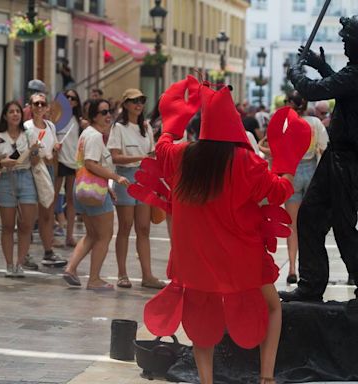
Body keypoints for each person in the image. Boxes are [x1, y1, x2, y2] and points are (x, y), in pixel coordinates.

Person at [137, 76, 310, 384]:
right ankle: (267, 378)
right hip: (240, 258)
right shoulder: (245, 161)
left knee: (202, 321)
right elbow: (282, 191)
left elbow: (162, 145)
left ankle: (206, 381)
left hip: (195, 259)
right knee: (272, 308)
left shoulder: (182, 156)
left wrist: (175, 121)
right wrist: (287, 159)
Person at [279, 16, 358, 302]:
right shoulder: (352, 73)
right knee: (310, 218)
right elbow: (339, 84)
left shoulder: (355, 73)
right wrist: (319, 65)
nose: (344, 45)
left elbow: (315, 90)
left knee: (343, 227)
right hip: (336, 157)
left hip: (347, 161)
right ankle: (311, 286)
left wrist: (296, 74)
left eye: (348, 41)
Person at [62, 99, 130, 290]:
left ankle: (71, 268)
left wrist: (108, 186)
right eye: (103, 112)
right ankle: (94, 279)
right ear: (93, 116)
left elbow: (89, 167)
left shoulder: (89, 134)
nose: (108, 115)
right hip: (94, 192)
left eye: (109, 111)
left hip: (84, 188)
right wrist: (115, 178)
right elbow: (91, 163)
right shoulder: (94, 136)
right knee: (104, 235)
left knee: (92, 234)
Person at [107, 89, 165, 289]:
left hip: (145, 177)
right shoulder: (118, 127)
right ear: (125, 104)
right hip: (126, 177)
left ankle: (147, 275)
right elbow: (115, 157)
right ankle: (122, 274)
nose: (138, 104)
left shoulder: (146, 127)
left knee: (144, 228)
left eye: (141, 100)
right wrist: (141, 158)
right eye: (133, 101)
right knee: (125, 226)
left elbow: (151, 152)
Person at [0, 101, 40, 277]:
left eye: (18, 111)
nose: (15, 114)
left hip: (26, 177)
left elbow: (35, 162)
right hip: (6, 179)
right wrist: (2, 162)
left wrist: (34, 153)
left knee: (26, 225)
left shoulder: (29, 134)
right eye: (11, 111)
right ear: (5, 116)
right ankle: (9, 265)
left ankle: (20, 263)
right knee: (8, 226)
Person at [282, 91, 328, 284]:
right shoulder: (315, 123)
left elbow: (279, 148)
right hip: (311, 171)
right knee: (310, 224)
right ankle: (308, 265)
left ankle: (292, 267)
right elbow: (324, 147)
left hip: (291, 172)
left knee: (291, 225)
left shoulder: (286, 122)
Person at [24, 92, 67, 267]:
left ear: (48, 107)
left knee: (47, 214)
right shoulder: (26, 127)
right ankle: (24, 253)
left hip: (48, 170)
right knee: (30, 214)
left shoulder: (50, 126)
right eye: (36, 104)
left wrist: (56, 149)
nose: (39, 107)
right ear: (30, 106)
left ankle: (48, 252)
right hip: (33, 169)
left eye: (42, 104)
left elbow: (53, 150)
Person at [54, 89, 88, 248]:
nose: (69, 100)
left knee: (71, 200)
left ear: (76, 102)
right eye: (66, 97)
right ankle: (49, 232)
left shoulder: (79, 121)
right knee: (52, 198)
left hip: (73, 163)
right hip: (57, 160)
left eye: (73, 98)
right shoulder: (56, 118)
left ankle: (69, 235)